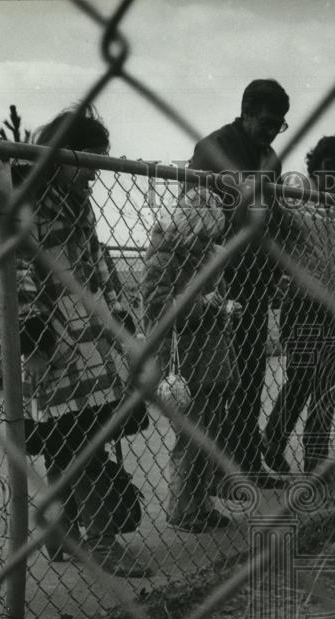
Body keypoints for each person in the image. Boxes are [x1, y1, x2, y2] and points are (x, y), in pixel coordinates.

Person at [17, 105, 151, 576]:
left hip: (91, 341)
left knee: (77, 439)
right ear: (61, 154)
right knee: (74, 441)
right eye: (90, 161)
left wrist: (122, 323)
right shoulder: (26, 201)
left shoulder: (79, 204)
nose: (97, 173)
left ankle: (64, 534)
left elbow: (100, 264)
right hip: (53, 344)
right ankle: (101, 538)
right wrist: (31, 339)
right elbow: (20, 272)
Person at [187, 78, 290, 489]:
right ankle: (212, 471)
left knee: (250, 374)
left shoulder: (272, 158)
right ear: (246, 111)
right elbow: (193, 217)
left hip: (257, 277)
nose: (271, 131)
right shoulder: (213, 148)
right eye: (266, 122)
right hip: (220, 280)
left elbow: (274, 214)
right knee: (216, 381)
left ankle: (245, 464)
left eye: (279, 125)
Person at [261, 134, 335, 477]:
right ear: (316, 166)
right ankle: (273, 441)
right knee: (301, 379)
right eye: (329, 171)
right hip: (303, 304)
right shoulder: (294, 200)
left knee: (327, 385)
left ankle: (315, 463)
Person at [142, 186, 240, 532]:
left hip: (213, 356)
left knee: (209, 438)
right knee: (190, 437)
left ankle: (201, 504)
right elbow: (155, 309)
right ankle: (183, 509)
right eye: (200, 238)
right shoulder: (163, 258)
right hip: (183, 362)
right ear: (183, 230)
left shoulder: (211, 255)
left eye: (211, 237)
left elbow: (220, 295)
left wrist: (225, 305)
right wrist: (201, 305)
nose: (206, 245)